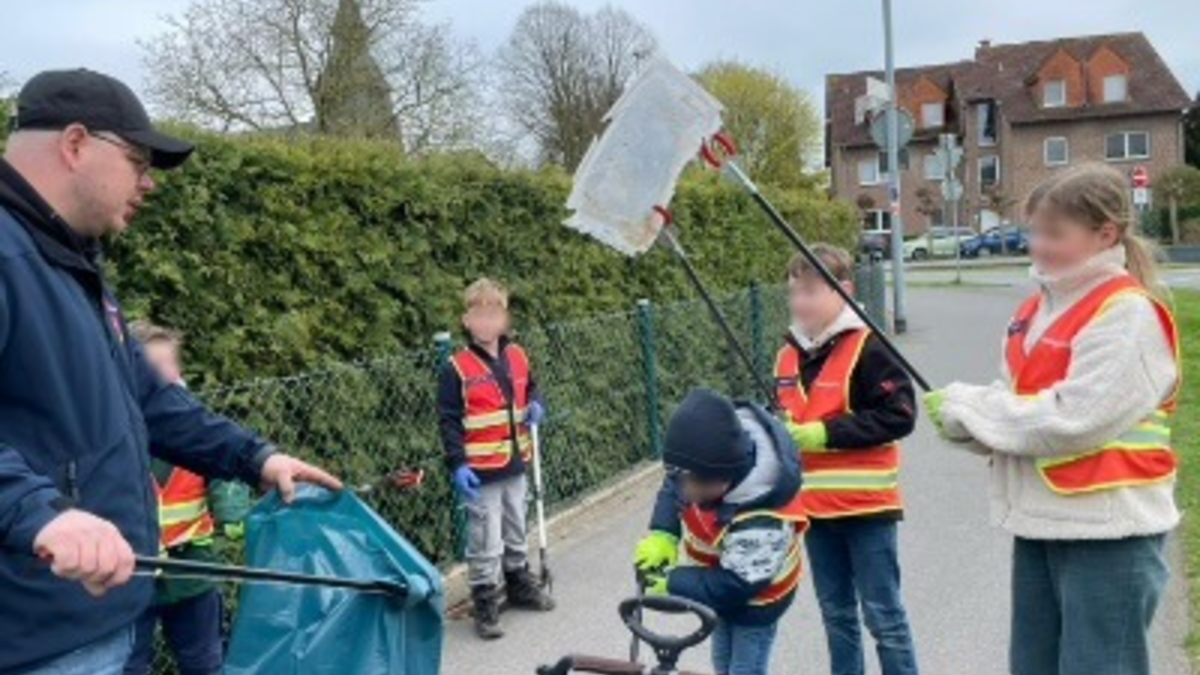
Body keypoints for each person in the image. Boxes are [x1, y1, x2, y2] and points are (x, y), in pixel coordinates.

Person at [0, 68, 341, 675]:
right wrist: (39, 513)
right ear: (75, 144)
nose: (149, 183)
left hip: (107, 623)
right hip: (35, 644)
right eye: (138, 160)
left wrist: (256, 458)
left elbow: (150, 401)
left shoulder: (74, 263)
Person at [925, 163, 1179, 675]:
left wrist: (970, 407)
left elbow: (1074, 419)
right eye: (1033, 231)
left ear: (1105, 234)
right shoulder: (1035, 310)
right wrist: (966, 424)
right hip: (1042, 522)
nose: (1037, 246)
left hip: (1112, 534)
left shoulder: (1127, 314)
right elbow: (1016, 406)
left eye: (1054, 234)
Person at [777, 244, 919, 675]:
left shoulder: (869, 347)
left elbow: (900, 415)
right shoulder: (787, 354)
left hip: (866, 508)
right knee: (836, 615)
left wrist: (825, 433)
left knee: (884, 617)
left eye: (810, 291)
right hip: (814, 512)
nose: (799, 301)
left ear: (843, 291)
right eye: (793, 292)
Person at [634, 388, 808, 675]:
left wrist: (673, 581)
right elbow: (673, 486)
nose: (685, 492)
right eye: (682, 479)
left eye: (693, 485)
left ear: (723, 478)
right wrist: (663, 534)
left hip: (757, 600)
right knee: (722, 660)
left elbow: (737, 584)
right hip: (721, 586)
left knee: (744, 668)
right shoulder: (696, 469)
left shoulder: (762, 518)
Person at [123, 322, 250, 675]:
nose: (165, 374)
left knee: (204, 661)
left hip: (192, 568)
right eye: (154, 367)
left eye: (169, 364)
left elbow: (223, 471)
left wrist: (232, 512)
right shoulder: (118, 431)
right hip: (133, 574)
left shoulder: (196, 426)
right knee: (130, 664)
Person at [437, 277, 554, 640]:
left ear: (504, 319)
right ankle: (485, 597)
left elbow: (530, 387)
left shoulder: (517, 355)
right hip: (481, 470)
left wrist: (536, 405)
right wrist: (458, 464)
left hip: (517, 461)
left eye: (494, 313)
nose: (487, 321)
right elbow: (449, 420)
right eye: (479, 314)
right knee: (484, 537)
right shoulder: (456, 368)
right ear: (466, 320)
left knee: (517, 525)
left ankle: (518, 581)